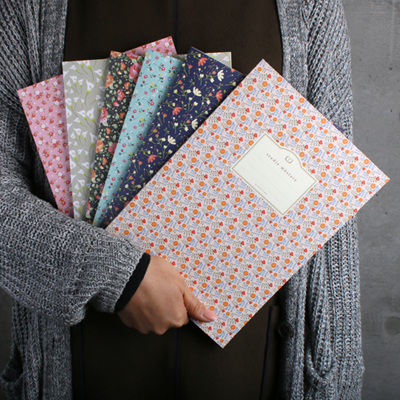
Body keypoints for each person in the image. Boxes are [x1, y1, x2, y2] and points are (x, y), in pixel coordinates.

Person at [0, 0, 364, 399]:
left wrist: (334, 381)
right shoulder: (32, 8)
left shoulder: (308, 7)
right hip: (85, 357)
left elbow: (334, 196)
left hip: (252, 359)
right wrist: (112, 274)